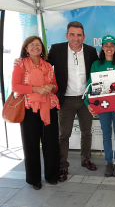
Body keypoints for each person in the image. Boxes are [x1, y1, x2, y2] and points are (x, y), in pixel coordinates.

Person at [48, 21, 98, 182]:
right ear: (66, 35)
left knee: (86, 132)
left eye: (78, 35)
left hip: (85, 100)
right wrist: (23, 60)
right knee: (64, 135)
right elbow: (44, 66)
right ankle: (63, 166)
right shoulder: (57, 49)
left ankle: (86, 160)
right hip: (66, 100)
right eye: (72, 34)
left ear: (83, 36)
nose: (75, 38)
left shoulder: (91, 51)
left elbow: (99, 68)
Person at [12, 36, 60, 190]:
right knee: (31, 145)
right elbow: (16, 87)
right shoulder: (21, 65)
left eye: (38, 45)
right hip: (29, 110)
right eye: (31, 45)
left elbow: (56, 87)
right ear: (26, 48)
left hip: (49, 107)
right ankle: (34, 180)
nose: (35, 47)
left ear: (42, 48)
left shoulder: (48, 65)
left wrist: (50, 87)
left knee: (51, 144)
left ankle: (52, 175)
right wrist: (36, 89)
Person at [84, 35, 115, 177]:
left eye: (111, 45)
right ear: (102, 48)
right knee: (106, 134)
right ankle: (108, 162)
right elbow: (90, 85)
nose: (109, 48)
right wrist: (88, 104)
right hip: (102, 106)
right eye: (106, 45)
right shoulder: (96, 64)